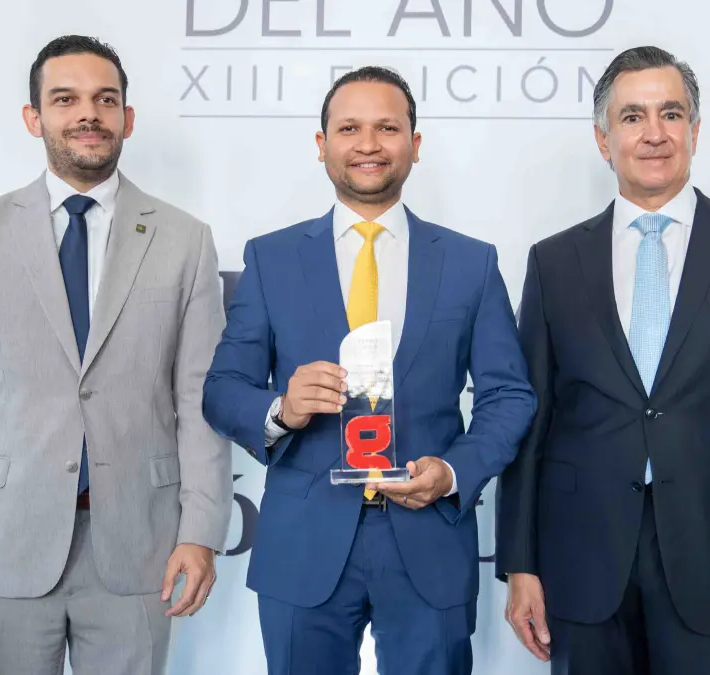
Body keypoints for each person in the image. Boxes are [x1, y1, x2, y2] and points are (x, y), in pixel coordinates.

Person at [0, 35, 232, 675]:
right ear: (34, 118)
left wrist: (199, 532)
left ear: (128, 118)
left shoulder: (185, 241)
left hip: (140, 545)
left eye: (106, 100)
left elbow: (200, 401)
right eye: (66, 99)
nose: (88, 115)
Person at [496, 46, 710, 675]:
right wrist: (520, 562)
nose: (654, 133)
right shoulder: (553, 262)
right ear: (603, 140)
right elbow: (530, 422)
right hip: (582, 561)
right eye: (632, 117)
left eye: (670, 114)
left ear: (696, 131)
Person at [202, 66, 536, 675]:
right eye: (349, 127)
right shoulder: (271, 258)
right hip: (303, 545)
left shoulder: (470, 263)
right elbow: (223, 391)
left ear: (415, 142)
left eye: (388, 127)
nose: (369, 143)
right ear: (321, 143)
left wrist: (456, 470)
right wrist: (282, 408)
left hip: (428, 537)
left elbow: (508, 396)